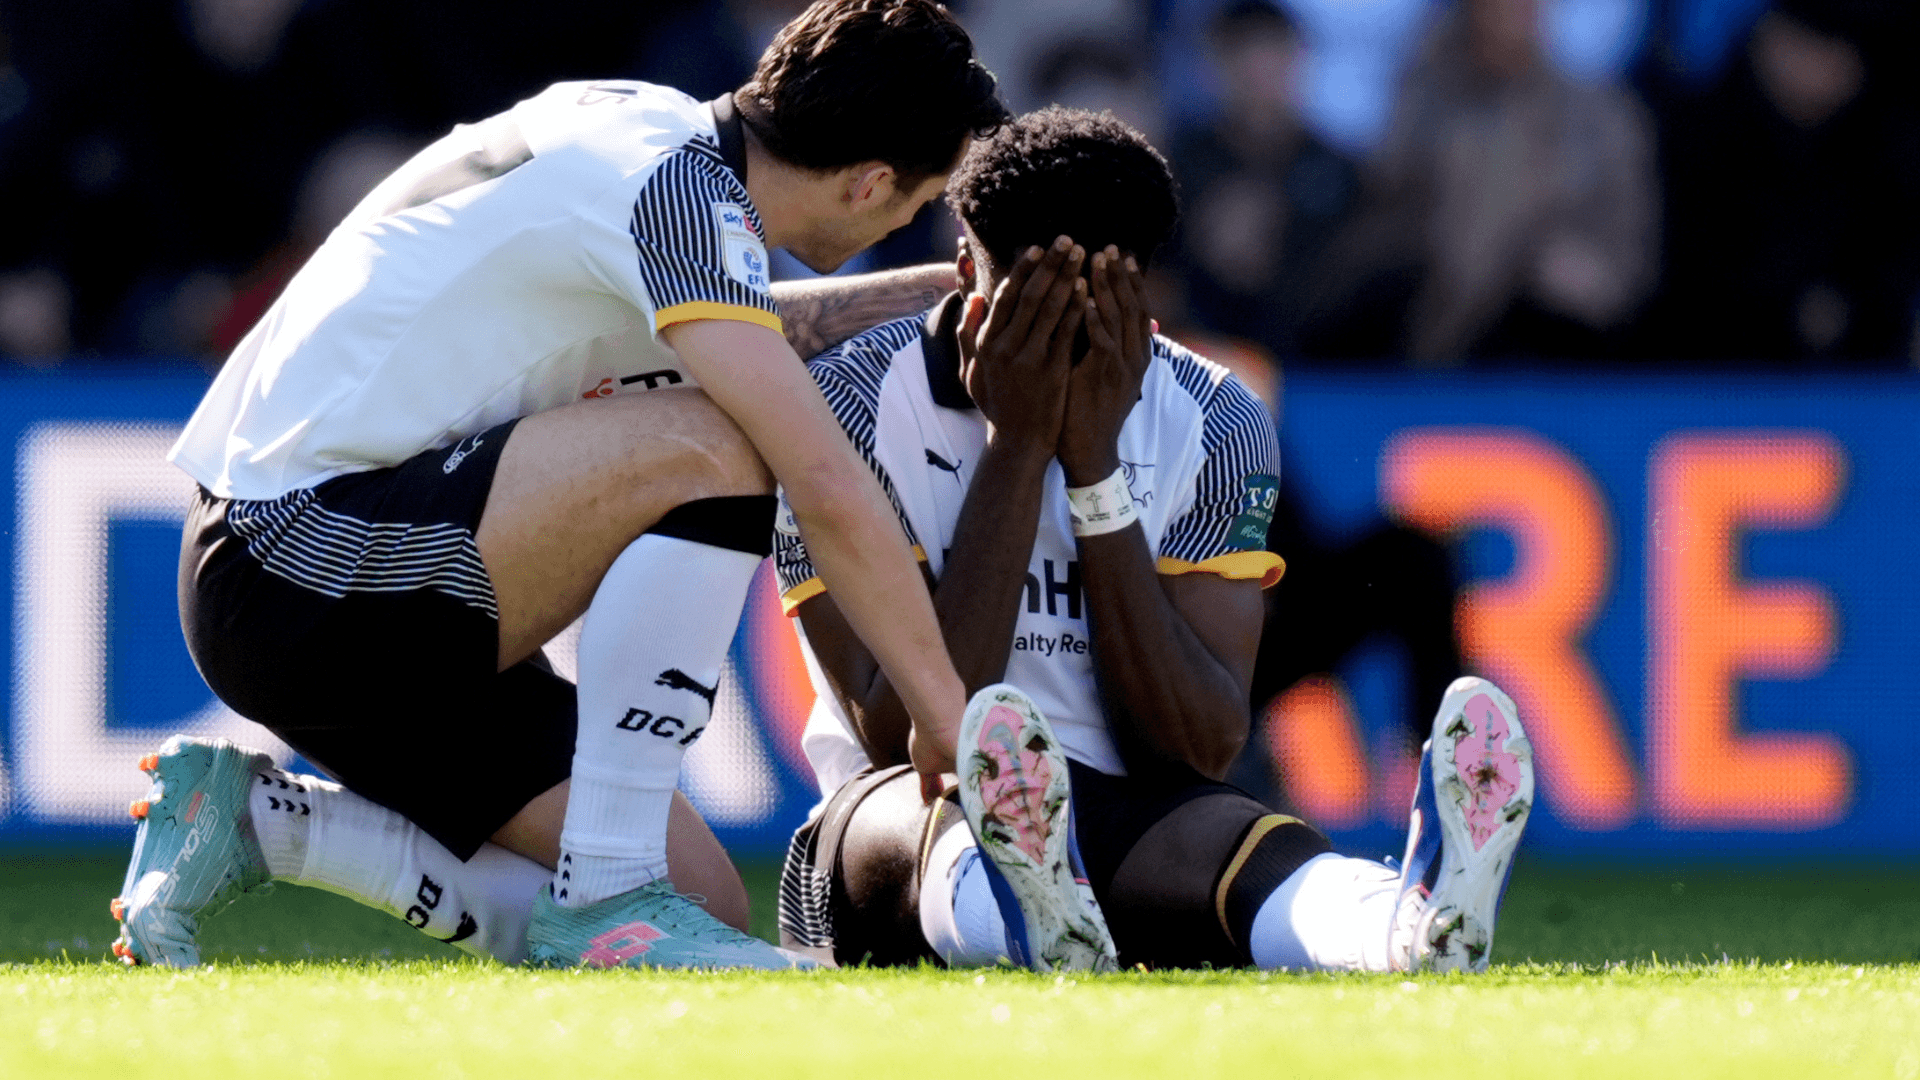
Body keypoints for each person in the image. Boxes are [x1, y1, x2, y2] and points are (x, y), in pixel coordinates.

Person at [112, 0, 1009, 970]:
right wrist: (948, 721)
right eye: (922, 205)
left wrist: (933, 300)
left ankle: (256, 822)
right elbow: (824, 479)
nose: (916, 223)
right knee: (728, 446)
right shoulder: (680, 196)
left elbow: (736, 325)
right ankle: (612, 891)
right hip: (291, 560)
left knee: (704, 899)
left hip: (328, 558)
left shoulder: (648, 133)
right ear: (872, 182)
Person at [770, 107, 1536, 972]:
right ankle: (1025, 914)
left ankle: (1406, 930)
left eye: (1092, 311)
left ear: (1145, 301)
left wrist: (1094, 470)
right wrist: (1017, 448)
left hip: (1135, 816)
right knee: (922, 822)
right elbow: (904, 735)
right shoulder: (845, 407)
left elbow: (1199, 747)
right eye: (1031, 311)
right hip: (902, 827)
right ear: (962, 278)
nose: (1061, 343)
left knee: (1249, 841)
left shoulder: (1216, 414)